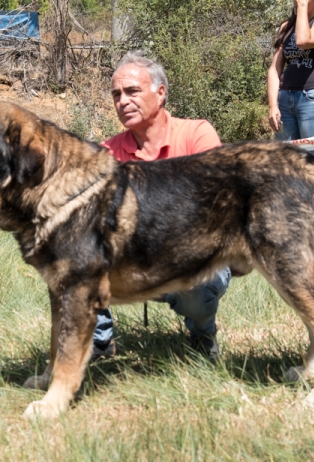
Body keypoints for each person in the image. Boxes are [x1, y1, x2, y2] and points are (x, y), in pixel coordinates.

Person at [92, 50, 232, 363]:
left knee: (199, 281)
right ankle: (98, 347)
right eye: (116, 94)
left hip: (194, 256)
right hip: (132, 263)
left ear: (161, 92)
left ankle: (202, 333)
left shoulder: (198, 134)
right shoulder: (107, 154)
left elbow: (212, 208)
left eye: (132, 91)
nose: (123, 101)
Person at [267, 0, 314, 162]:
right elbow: (274, 69)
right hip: (284, 99)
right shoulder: (286, 27)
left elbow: (303, 41)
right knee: (284, 162)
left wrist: (302, 7)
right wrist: (273, 105)